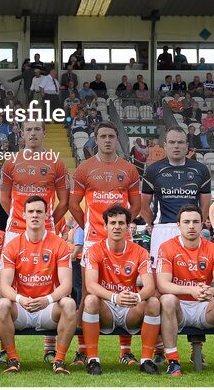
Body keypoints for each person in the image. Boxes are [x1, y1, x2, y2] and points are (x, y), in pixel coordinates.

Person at [69, 120, 141, 364]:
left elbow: (136, 204)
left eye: (112, 136)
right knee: (87, 294)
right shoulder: (84, 169)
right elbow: (73, 205)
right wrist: (90, 226)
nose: (108, 140)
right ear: (96, 139)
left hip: (123, 240)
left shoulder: (128, 169)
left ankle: (125, 351)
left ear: (117, 139)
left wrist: (124, 224)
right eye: (103, 136)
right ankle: (83, 350)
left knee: (127, 288)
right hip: (92, 241)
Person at [0, 195, 78, 375]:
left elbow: (66, 285)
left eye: (39, 211)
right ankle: (13, 359)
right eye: (30, 211)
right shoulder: (12, 245)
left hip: (48, 308)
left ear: (47, 215)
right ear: (23, 215)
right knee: (1, 304)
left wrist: (47, 300)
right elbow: (4, 285)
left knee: (69, 303)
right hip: (22, 307)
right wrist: (20, 299)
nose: (34, 215)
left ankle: (59, 360)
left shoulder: (60, 244)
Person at [156, 205, 214, 377]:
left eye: (196, 222)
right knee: (167, 299)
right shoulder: (167, 247)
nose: (191, 226)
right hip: (179, 308)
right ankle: (173, 362)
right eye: (186, 222)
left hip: (204, 307)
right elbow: (163, 285)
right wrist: (191, 289)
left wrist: (210, 292)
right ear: (178, 225)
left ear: (202, 224)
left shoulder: (213, 248)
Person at [81, 205, 162, 375]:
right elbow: (91, 285)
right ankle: (93, 360)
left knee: (153, 302)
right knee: (90, 300)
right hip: (107, 308)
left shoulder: (140, 252)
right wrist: (115, 297)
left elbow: (150, 286)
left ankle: (146, 360)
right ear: (105, 226)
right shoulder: (94, 250)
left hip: (130, 307)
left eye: (121, 223)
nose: (117, 227)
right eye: (112, 223)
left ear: (127, 226)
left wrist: (138, 298)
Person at [143, 127, 212, 255]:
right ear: (165, 145)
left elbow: (205, 205)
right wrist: (152, 223)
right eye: (172, 142)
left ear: (186, 146)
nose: (176, 146)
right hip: (163, 228)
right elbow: (143, 205)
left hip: (190, 228)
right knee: (160, 271)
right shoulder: (153, 170)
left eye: (180, 142)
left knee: (190, 271)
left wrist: (197, 224)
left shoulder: (201, 170)